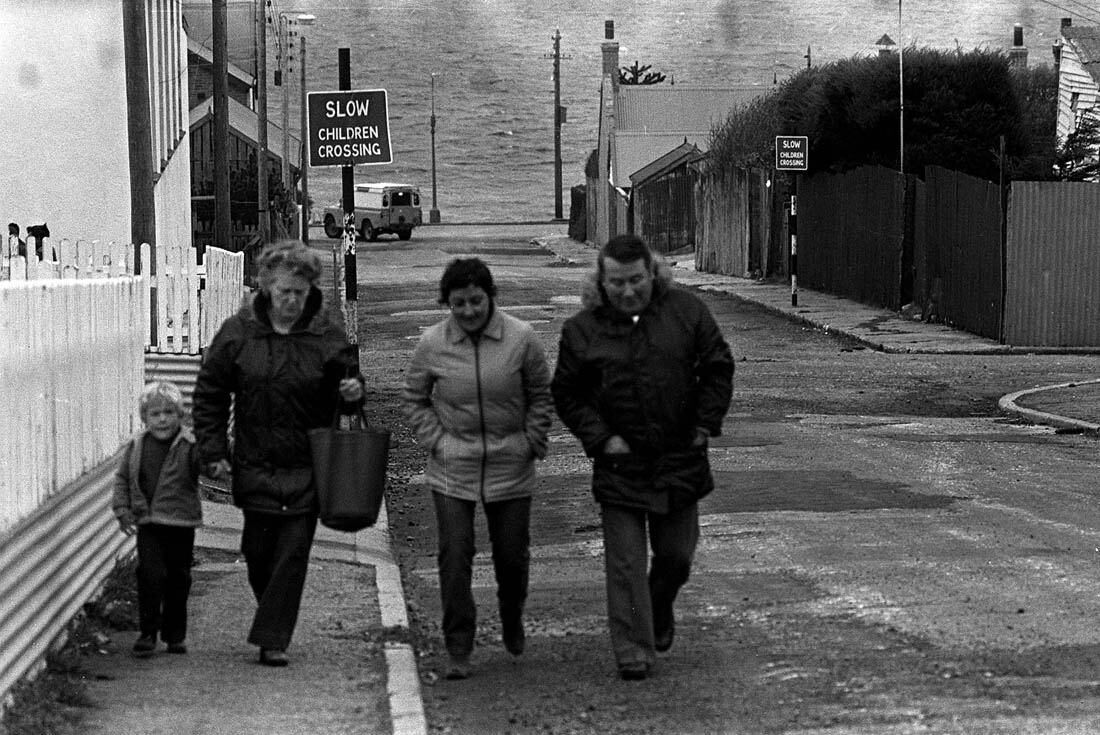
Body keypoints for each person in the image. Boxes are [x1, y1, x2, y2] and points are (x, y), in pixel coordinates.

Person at [551, 234, 734, 681]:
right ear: (601, 279)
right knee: (625, 563)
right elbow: (567, 394)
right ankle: (632, 647)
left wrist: (702, 426)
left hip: (679, 458)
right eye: (617, 283)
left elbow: (717, 367)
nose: (627, 291)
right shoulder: (581, 331)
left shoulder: (687, 312)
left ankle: (658, 605)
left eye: (635, 280)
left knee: (676, 557)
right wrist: (602, 438)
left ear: (652, 274)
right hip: (621, 465)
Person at [192, 240, 364, 667]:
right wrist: (213, 449)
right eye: (284, 291)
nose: (292, 300)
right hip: (254, 461)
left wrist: (353, 392)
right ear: (266, 286)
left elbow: (352, 389)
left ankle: (273, 638)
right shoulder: (239, 332)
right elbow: (210, 392)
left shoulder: (326, 335)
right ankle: (274, 621)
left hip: (309, 463)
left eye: (300, 293)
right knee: (257, 553)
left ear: (311, 290)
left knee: (292, 552)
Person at [402, 258, 553, 680]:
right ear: (446, 304)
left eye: (475, 301)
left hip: (511, 463)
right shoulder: (432, 343)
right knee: (454, 555)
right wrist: (438, 441)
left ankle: (511, 614)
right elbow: (415, 398)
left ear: (490, 298)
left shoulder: (521, 338)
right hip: (453, 467)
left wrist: (531, 440)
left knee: (511, 556)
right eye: (458, 304)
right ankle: (458, 644)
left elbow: (541, 393)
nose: (468, 311)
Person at [112, 381, 202, 657]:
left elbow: (204, 466)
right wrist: (123, 510)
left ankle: (175, 635)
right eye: (155, 414)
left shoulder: (189, 444)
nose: (162, 419)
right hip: (148, 523)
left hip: (180, 523)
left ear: (180, 415)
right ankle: (148, 632)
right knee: (150, 575)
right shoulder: (136, 446)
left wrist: (211, 448)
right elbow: (123, 479)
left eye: (169, 413)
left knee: (178, 578)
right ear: (145, 418)